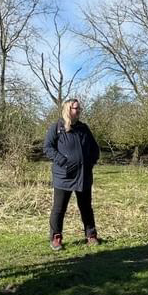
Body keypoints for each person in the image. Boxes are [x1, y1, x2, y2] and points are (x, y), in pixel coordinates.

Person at [43, 98, 100, 251]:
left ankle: (91, 235)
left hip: (83, 176)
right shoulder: (57, 127)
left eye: (79, 108)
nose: (79, 110)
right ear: (68, 109)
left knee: (86, 207)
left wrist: (90, 163)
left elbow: (95, 149)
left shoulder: (84, 128)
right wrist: (62, 161)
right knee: (59, 208)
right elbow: (48, 148)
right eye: (76, 108)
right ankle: (56, 237)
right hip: (64, 176)